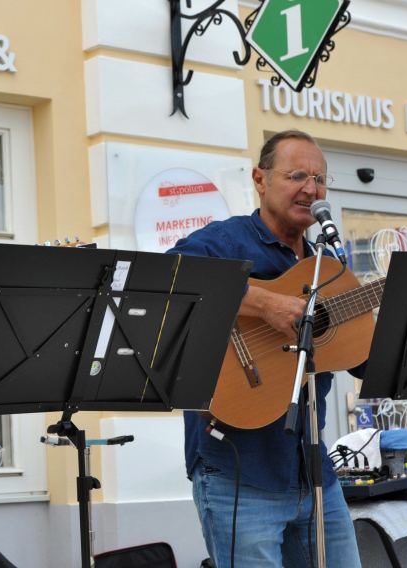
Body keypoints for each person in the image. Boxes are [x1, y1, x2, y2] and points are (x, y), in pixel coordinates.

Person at [168, 129, 361, 567]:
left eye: (320, 180)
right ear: (260, 178)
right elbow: (169, 278)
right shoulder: (226, 241)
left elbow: (363, 360)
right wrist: (263, 303)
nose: (311, 190)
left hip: (314, 476)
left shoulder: (325, 267)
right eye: (297, 176)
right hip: (238, 474)